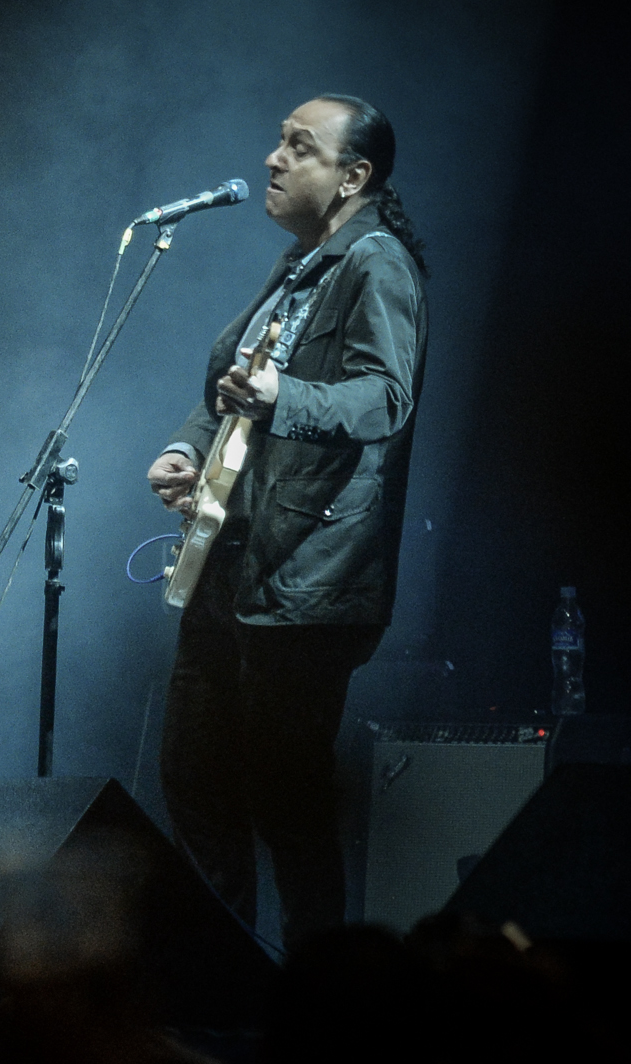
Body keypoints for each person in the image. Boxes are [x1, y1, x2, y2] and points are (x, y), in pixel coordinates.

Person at [144, 95, 429, 947]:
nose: (273, 159)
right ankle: (224, 980)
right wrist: (188, 449)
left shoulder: (377, 263)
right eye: (278, 142)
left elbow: (385, 397)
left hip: (309, 579)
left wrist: (283, 397)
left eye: (299, 148)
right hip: (232, 562)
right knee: (195, 783)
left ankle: (318, 995)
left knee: (287, 807)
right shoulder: (303, 263)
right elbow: (232, 386)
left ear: (352, 176)